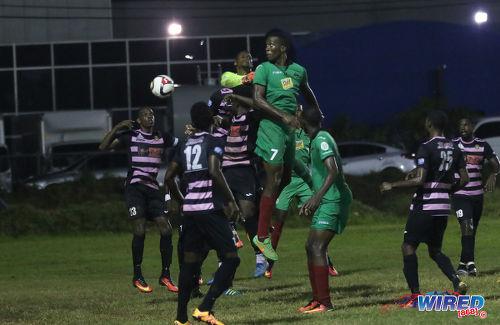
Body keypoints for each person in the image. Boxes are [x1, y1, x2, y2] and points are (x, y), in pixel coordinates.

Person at [166, 102, 242, 325]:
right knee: (231, 258)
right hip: (209, 210)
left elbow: (169, 177)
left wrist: (183, 200)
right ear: (211, 120)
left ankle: (180, 319)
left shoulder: (184, 145)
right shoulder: (213, 141)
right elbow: (214, 170)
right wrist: (231, 201)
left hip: (189, 213)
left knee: (189, 265)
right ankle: (205, 308)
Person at [380, 110, 469, 298]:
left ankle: (415, 295)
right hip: (443, 206)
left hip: (425, 205)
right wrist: (447, 190)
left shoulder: (426, 147)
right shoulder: (455, 148)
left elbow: (420, 181)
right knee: (435, 250)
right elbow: (464, 178)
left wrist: (392, 184)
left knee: (408, 247)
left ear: (429, 124)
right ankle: (457, 281)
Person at [252, 28, 321, 261]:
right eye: (266, 46)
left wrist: (316, 114)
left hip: (289, 132)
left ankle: (265, 218)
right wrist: (283, 116)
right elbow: (257, 99)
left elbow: (308, 94)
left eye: (272, 45)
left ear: (283, 48)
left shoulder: (298, 71)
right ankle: (261, 237)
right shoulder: (263, 69)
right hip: (271, 130)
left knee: (287, 179)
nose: (267, 49)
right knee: (273, 179)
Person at [99, 107, 178, 293]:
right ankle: (137, 275)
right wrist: (117, 127)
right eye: (145, 115)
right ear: (139, 120)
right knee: (140, 231)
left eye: (151, 114)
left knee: (166, 230)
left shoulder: (162, 137)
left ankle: (165, 274)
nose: (149, 117)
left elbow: (180, 145)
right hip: (134, 189)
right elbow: (103, 147)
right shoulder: (130, 135)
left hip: (152, 189)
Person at [294, 106, 352, 313]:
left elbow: (333, 170)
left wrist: (317, 198)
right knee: (310, 246)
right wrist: (314, 197)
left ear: (304, 122)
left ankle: (325, 303)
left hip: (333, 200)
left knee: (317, 247)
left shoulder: (322, 139)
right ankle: (317, 299)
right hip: (325, 199)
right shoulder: (315, 139)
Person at [265, 127, 338, 279]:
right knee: (279, 223)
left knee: (318, 222)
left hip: (304, 183)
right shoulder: (283, 134)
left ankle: (328, 263)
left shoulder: (307, 137)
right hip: (287, 183)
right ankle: (269, 265)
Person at [452, 118, 499, 276]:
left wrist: (493, 174)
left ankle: (463, 263)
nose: (463, 128)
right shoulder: (453, 144)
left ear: (472, 126)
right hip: (460, 194)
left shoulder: (482, 145)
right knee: (467, 226)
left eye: (466, 125)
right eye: (460, 125)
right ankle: (469, 265)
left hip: (477, 195)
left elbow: (496, 164)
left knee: (472, 230)